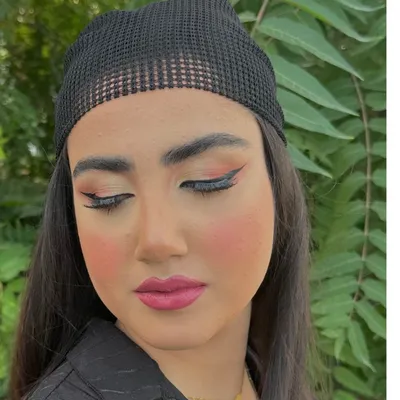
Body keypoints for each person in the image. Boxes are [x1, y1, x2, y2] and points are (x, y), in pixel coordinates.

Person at [8, 0, 313, 399]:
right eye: (107, 197)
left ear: (276, 183)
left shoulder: (262, 376)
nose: (157, 241)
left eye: (206, 181)